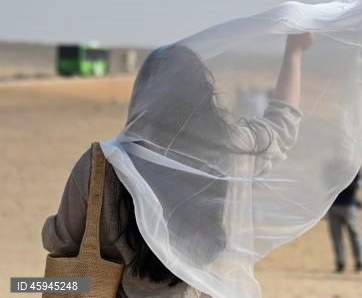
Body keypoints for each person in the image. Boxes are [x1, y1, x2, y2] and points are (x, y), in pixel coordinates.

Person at [42, 33, 313, 297]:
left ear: (142, 94)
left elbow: (62, 243)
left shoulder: (100, 164)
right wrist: (294, 53)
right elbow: (283, 125)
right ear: (203, 93)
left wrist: (28, 283)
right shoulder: (231, 153)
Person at [326, 172, 362, 273]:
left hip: (347, 205)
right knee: (339, 236)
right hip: (337, 205)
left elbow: (357, 184)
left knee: (353, 234)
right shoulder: (344, 167)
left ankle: (358, 262)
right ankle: (341, 262)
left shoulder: (350, 167)